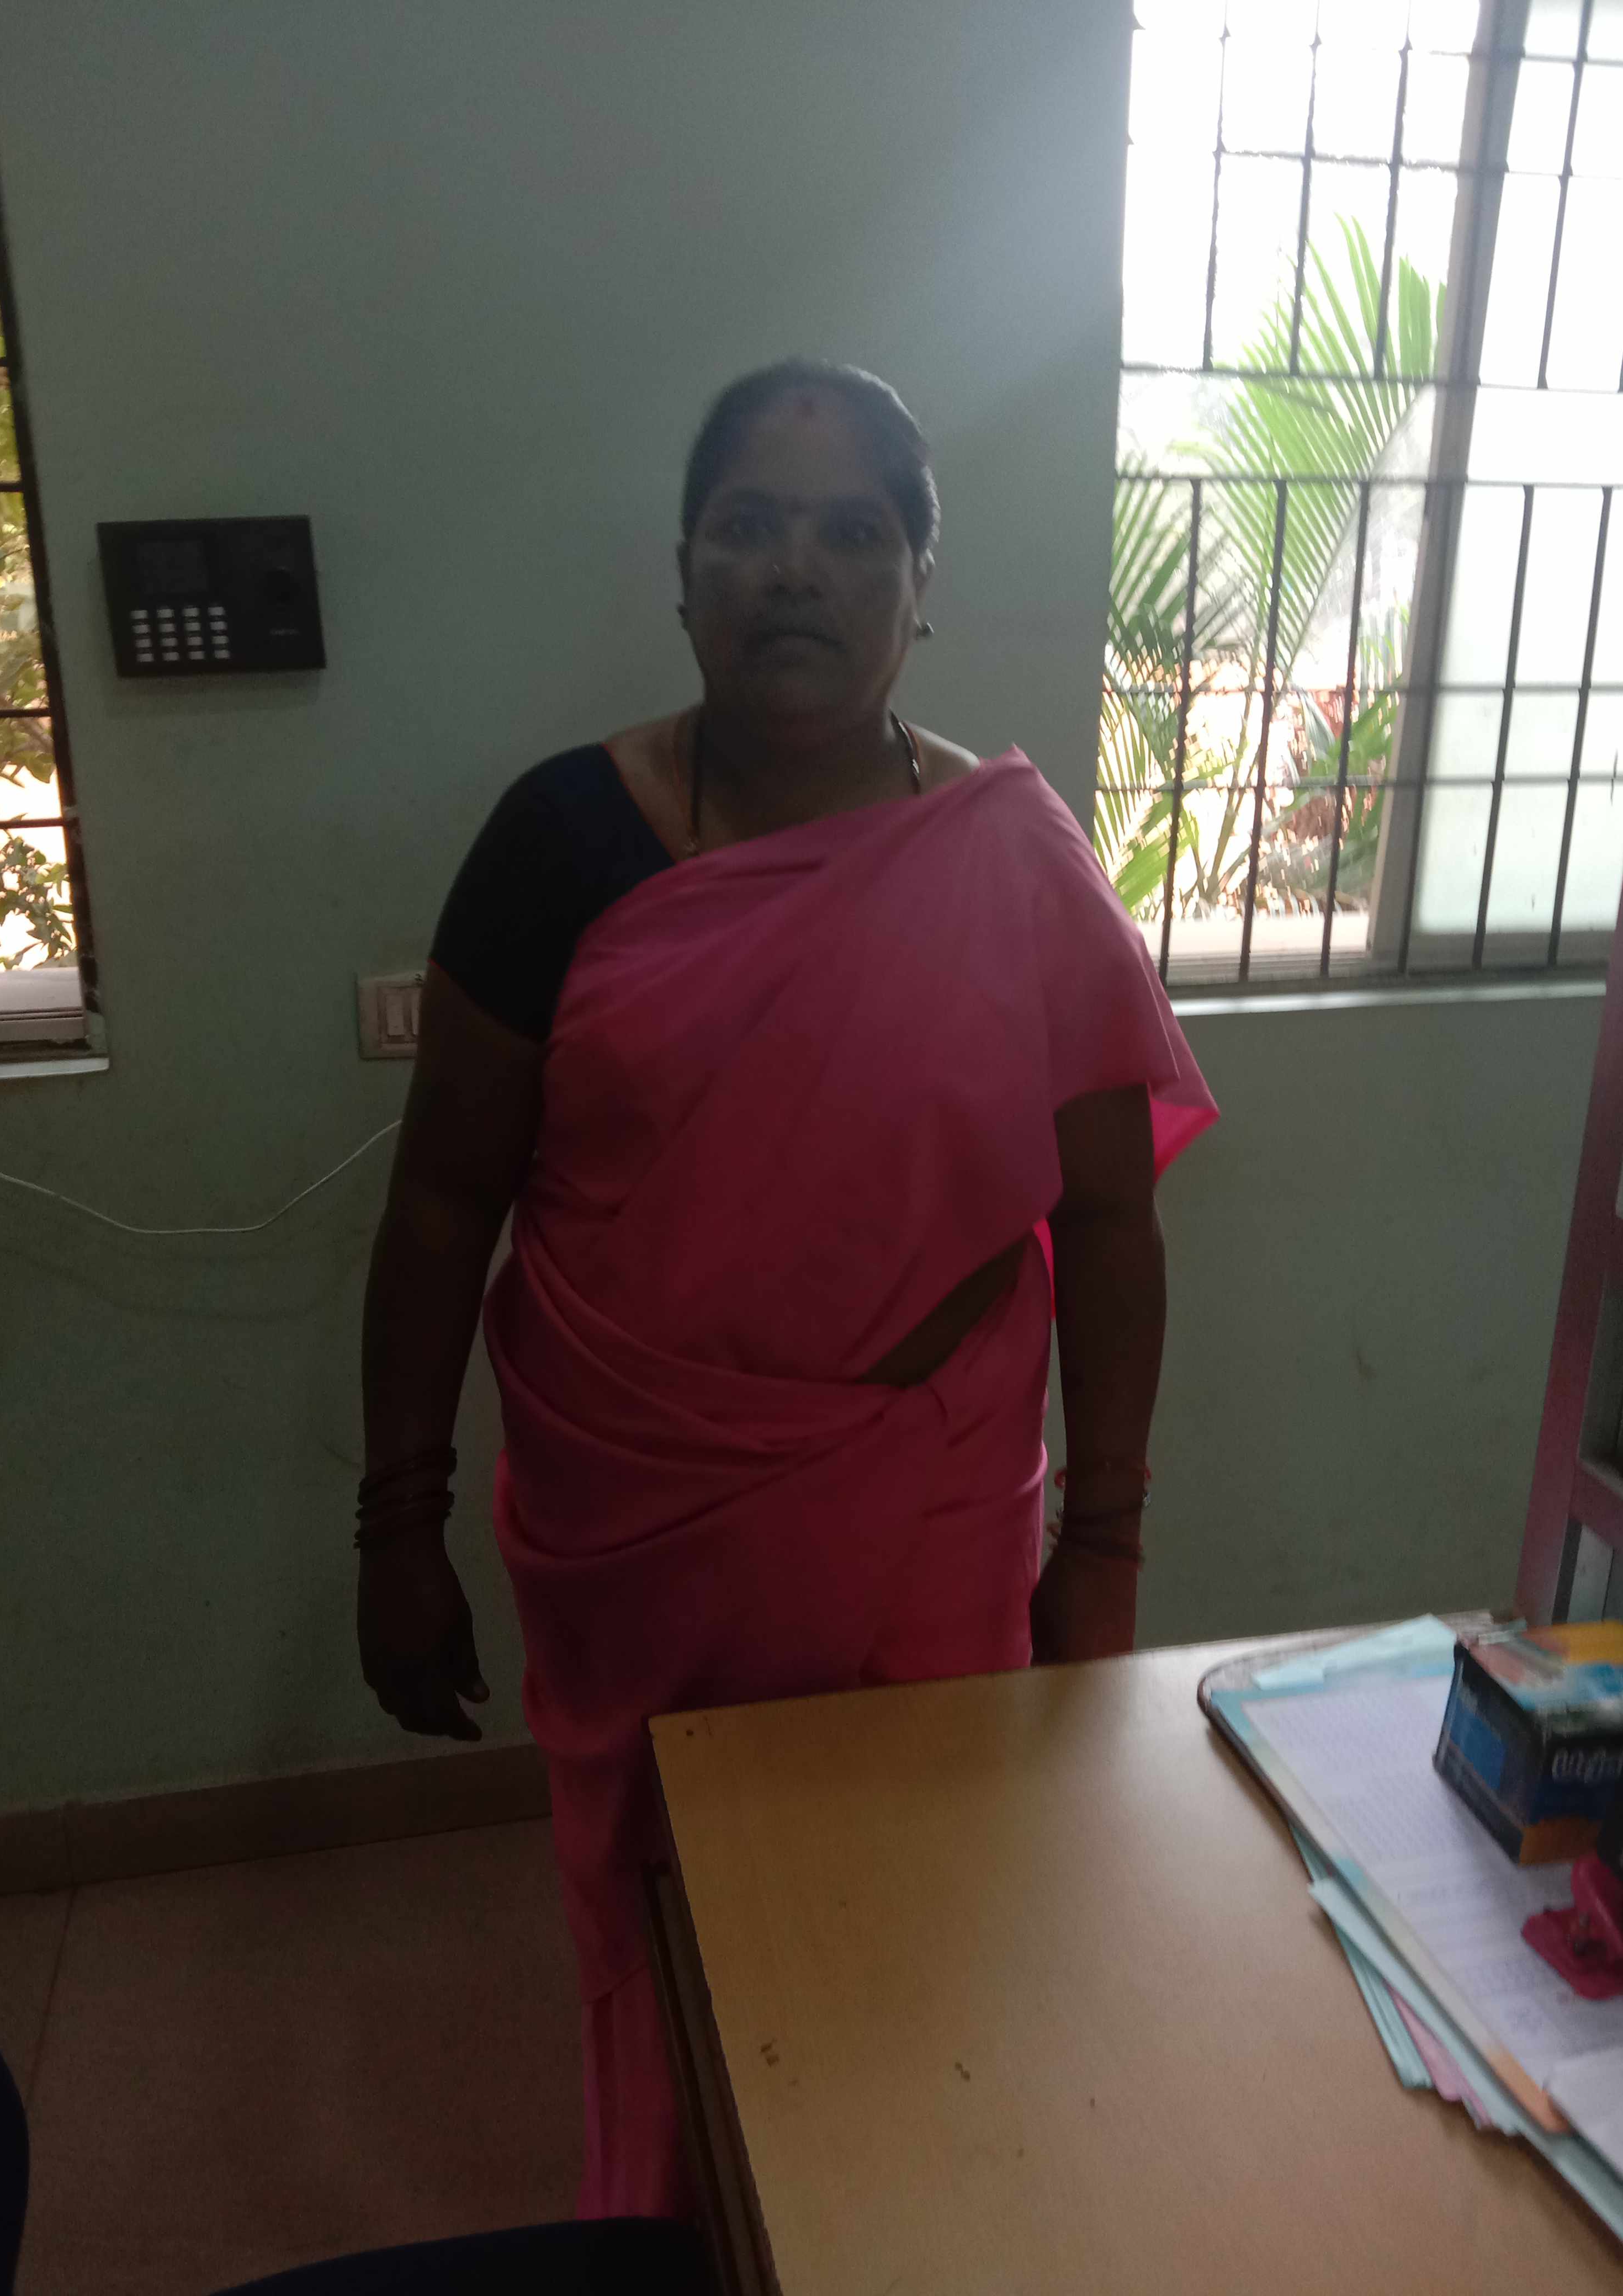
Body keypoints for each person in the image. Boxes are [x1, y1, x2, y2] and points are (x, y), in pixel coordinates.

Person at [356, 358, 1217, 2221]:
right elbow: (439, 1204)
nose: (797, 570)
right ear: (683, 575)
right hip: (639, 1534)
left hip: (923, 1527)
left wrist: (1108, 1541)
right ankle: (682, 2229)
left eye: (853, 532)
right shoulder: (561, 847)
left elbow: (1110, 1223)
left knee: (921, 1940)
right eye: (749, 526)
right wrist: (394, 1520)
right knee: (670, 1938)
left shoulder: (1012, 861)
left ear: (922, 584)